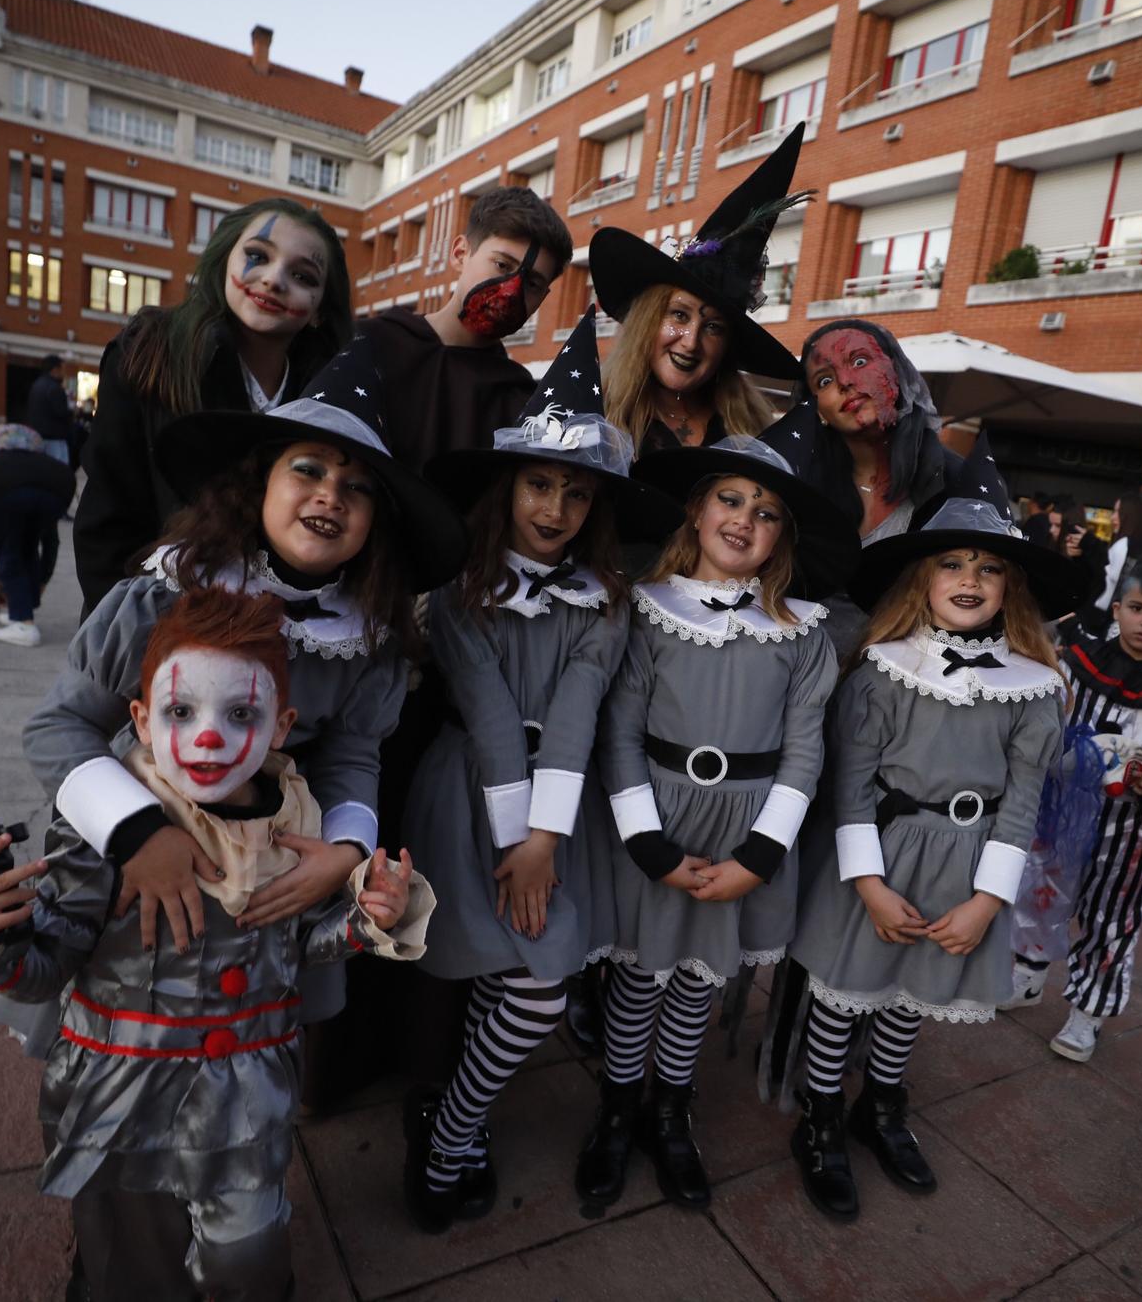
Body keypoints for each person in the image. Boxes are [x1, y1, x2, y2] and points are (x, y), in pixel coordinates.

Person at [0, 584, 433, 1302]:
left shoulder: (298, 828)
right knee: (133, 1266)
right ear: (142, 719)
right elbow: (48, 963)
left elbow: (298, 946)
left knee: (246, 1259)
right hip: (117, 1098)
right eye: (181, 711)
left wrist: (367, 917)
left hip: (247, 1102)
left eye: (241, 712)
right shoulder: (108, 832)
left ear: (281, 725)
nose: (209, 735)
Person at [24, 336, 463, 1026]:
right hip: (142, 863)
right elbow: (59, 725)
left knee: (246, 1038)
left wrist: (343, 852)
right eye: (308, 470)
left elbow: (352, 752)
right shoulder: (160, 597)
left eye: (357, 487)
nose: (330, 495)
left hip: (263, 872)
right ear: (260, 483)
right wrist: (138, 834)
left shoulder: (365, 638)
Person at [401, 312, 680, 1233]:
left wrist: (543, 839)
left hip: (555, 810)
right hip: (469, 793)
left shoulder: (607, 601)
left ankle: (451, 1127)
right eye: (538, 484)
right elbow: (485, 712)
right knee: (491, 966)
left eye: (575, 492)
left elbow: (577, 711)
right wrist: (517, 832)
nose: (555, 508)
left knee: (539, 983)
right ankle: (446, 1132)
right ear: (506, 485)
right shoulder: (454, 592)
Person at [783, 435, 1079, 1222]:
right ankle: (818, 1115)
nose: (970, 580)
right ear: (923, 576)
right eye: (952, 563)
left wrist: (988, 901)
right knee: (844, 996)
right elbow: (848, 784)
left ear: (1010, 585)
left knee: (915, 993)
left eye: (988, 567)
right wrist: (870, 885)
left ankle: (879, 1106)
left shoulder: (1034, 685)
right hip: (877, 857)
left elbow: (1023, 800)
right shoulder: (884, 666)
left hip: (968, 860)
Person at [577, 432, 857, 1212]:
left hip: (746, 826)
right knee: (639, 977)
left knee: (700, 978)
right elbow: (619, 730)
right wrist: (648, 843)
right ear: (697, 509)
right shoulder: (646, 607)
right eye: (730, 499)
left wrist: (762, 853)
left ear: (784, 537)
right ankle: (618, 1106)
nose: (745, 520)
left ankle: (671, 1110)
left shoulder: (803, 633)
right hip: (658, 817)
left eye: (767, 512)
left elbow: (806, 750)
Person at [74, 198, 354, 615]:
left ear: (318, 308)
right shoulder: (149, 352)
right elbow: (108, 516)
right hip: (158, 623)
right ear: (225, 258)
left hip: (279, 634)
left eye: (302, 275)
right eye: (257, 256)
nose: (274, 280)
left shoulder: (332, 389)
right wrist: (126, 631)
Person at [1005, 555, 1142, 1064]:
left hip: (1128, 832)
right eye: (1138, 608)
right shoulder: (1079, 660)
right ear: (1117, 607)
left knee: (1111, 916)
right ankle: (1026, 977)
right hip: (1061, 811)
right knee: (1038, 894)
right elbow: (1046, 714)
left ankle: (1088, 1013)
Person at [593, 124, 809, 454]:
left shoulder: (755, 434)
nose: (691, 342)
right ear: (648, 320)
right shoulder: (591, 416)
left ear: (727, 346)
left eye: (713, 327)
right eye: (679, 315)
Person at [361, 187, 570, 475]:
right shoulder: (368, 345)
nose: (511, 292)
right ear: (461, 254)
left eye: (532, 283)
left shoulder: (522, 403)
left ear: (542, 299)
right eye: (501, 265)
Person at [784, 319, 960, 542]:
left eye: (859, 361)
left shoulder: (957, 480)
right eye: (825, 380)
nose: (845, 382)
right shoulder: (800, 485)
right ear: (817, 410)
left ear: (897, 372)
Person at [0, 422, 77, 648]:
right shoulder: (44, 467)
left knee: (9, 551)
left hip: (2, 496)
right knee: (27, 546)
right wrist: (43, 580)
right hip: (55, 494)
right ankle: (21, 610)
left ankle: (24, 625)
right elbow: (51, 541)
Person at [1091, 490, 1142, 631]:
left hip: (1109, 624)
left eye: (1119, 512)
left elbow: (1108, 587)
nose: (1113, 518)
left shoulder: (1124, 545)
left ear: (1133, 515)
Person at [24, 355, 78, 463]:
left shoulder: (36, 385)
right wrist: (73, 412)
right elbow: (62, 413)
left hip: (37, 437)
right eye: (62, 369)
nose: (64, 373)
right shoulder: (55, 388)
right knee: (58, 471)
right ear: (55, 370)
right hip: (55, 439)